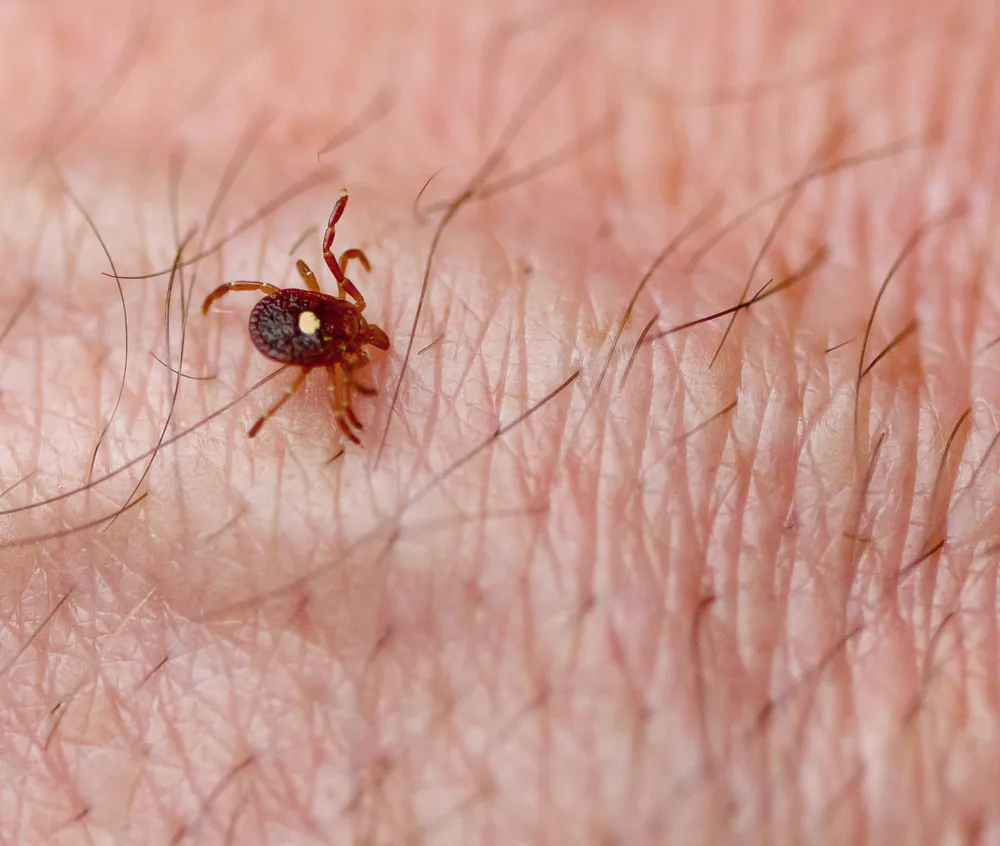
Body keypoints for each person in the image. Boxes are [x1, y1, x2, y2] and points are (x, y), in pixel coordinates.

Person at [0, 1, 992, 842]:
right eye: (348, 340)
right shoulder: (326, 347)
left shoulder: (330, 330)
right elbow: (310, 322)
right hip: (276, 332)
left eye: (347, 333)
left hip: (275, 324)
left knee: (288, 305)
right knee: (289, 336)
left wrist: (294, 337)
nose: (356, 336)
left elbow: (304, 301)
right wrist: (315, 390)